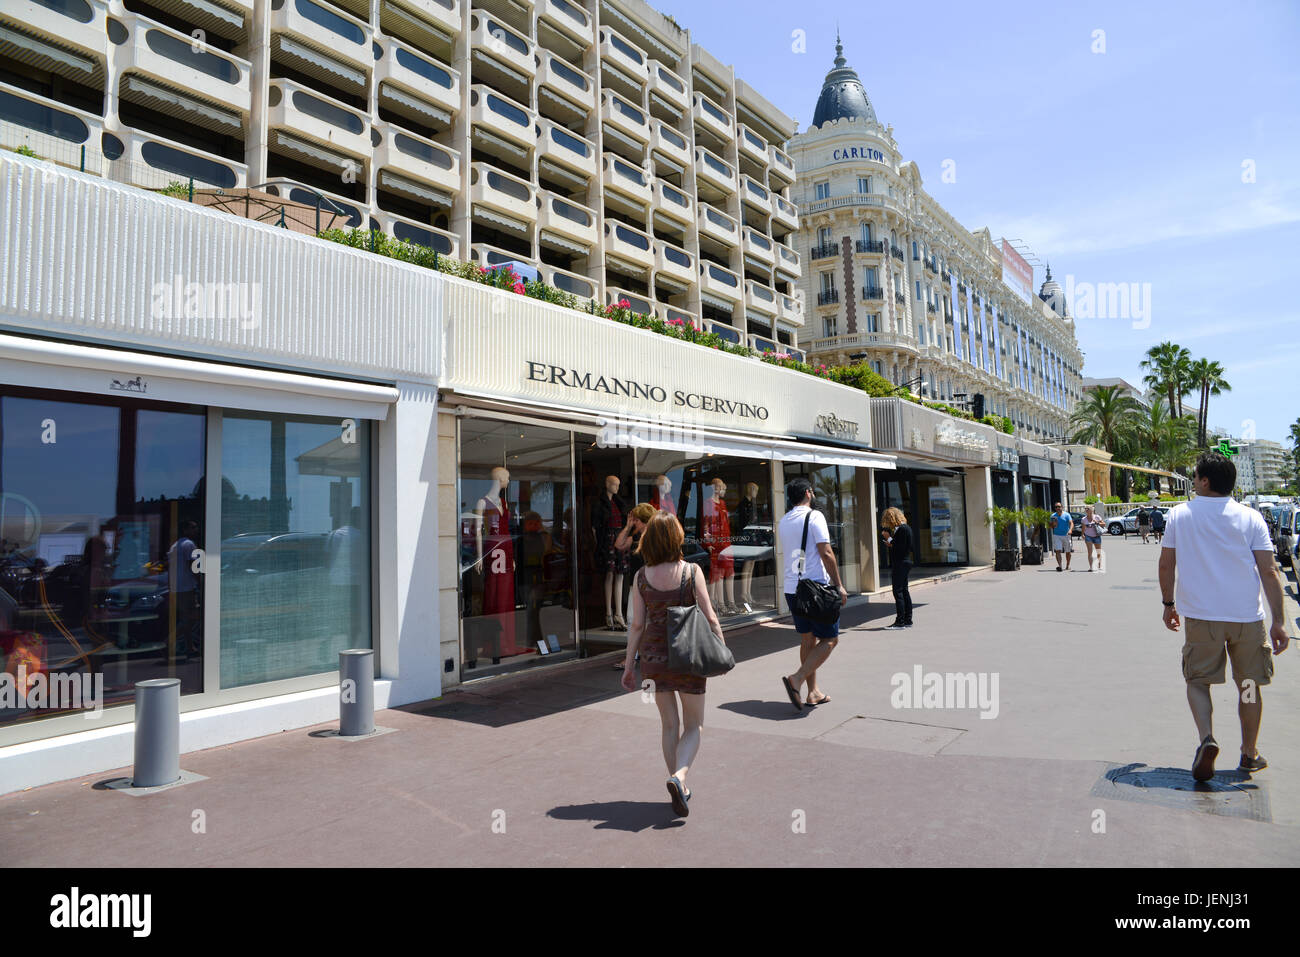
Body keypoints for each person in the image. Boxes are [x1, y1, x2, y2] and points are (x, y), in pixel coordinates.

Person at [1159, 452, 1290, 781]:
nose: (1193, 481)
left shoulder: (1179, 515)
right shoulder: (1251, 518)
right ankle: (1249, 753)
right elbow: (1270, 571)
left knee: (1198, 681)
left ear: (1205, 481)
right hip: (1246, 619)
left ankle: (1207, 739)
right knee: (1248, 684)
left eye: (1195, 476)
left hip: (1202, 618)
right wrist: (1278, 621)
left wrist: (1168, 603)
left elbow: (1166, 565)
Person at [621, 512, 724, 818]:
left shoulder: (641, 577)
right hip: (689, 655)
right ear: (677, 537)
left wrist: (629, 665)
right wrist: (720, 648)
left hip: (653, 659)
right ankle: (679, 778)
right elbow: (710, 616)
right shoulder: (692, 571)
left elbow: (637, 625)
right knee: (694, 725)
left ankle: (678, 782)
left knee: (669, 725)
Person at [777, 477, 847, 711]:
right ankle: (796, 679)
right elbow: (826, 553)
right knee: (830, 639)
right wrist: (838, 585)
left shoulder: (784, 520)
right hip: (816, 589)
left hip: (792, 589)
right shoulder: (815, 516)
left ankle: (813, 692)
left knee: (807, 639)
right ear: (808, 493)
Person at [880, 507, 913, 628]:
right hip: (904, 562)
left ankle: (900, 621)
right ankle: (907, 619)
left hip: (901, 563)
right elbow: (901, 546)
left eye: (888, 520)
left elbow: (899, 548)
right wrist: (891, 542)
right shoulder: (906, 528)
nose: (888, 524)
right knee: (904, 591)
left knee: (898, 591)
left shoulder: (902, 529)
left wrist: (888, 538)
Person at [1081, 505, 1105, 572]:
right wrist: (1082, 534)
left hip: (1097, 536)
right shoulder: (1084, 519)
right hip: (1088, 536)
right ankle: (1091, 567)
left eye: (1088, 509)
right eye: (1085, 509)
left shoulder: (1097, 517)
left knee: (1098, 552)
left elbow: (1104, 524)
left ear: (1092, 510)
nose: (1086, 510)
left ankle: (1099, 565)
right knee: (1090, 552)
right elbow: (1083, 528)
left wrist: (1097, 522)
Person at [1050, 502, 1073, 571]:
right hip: (1056, 535)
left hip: (1066, 535)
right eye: (1056, 507)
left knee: (1068, 551)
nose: (1057, 508)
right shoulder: (1053, 516)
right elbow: (1050, 526)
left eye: (1059, 507)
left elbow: (1071, 523)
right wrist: (1053, 524)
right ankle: (1060, 566)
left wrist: (1070, 530)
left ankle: (1067, 565)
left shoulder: (1066, 515)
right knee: (1058, 551)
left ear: (1061, 507)